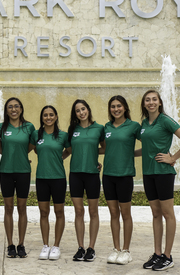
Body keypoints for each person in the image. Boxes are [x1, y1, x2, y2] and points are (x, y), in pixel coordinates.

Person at [139, 90, 180, 271]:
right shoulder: (144, 123)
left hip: (163, 173)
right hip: (148, 173)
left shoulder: (165, 120)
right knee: (155, 214)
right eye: (147, 100)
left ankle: (168, 256)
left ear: (160, 103)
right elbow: (146, 148)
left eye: (154, 99)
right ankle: (157, 254)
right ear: (144, 104)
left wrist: (173, 158)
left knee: (167, 213)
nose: (151, 103)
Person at [0, 97, 35, 259]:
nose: (13, 109)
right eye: (10, 107)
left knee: (22, 208)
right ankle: (10, 244)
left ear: (21, 108)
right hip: (6, 171)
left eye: (16, 106)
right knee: (8, 208)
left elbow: (30, 146)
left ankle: (21, 244)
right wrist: (11, 155)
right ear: (6, 110)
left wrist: (20, 156)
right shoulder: (1, 127)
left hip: (24, 171)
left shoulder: (29, 127)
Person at [102, 95, 141, 265]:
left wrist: (132, 154)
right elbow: (104, 148)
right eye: (112, 106)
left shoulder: (134, 126)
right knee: (113, 214)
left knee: (125, 214)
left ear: (125, 108)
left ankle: (126, 250)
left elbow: (149, 142)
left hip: (125, 175)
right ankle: (116, 249)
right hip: (108, 176)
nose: (116, 109)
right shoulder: (107, 127)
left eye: (119, 106)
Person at [66, 99, 105, 262]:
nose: (81, 112)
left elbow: (105, 147)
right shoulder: (72, 129)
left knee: (93, 212)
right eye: (77, 110)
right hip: (75, 174)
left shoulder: (99, 128)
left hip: (91, 174)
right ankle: (81, 247)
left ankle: (91, 248)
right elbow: (68, 150)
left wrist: (92, 154)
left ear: (88, 110)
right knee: (79, 211)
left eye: (83, 109)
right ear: (75, 114)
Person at [29, 105, 70, 261]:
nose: (48, 117)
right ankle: (45, 245)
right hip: (42, 179)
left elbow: (70, 150)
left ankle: (56, 246)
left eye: (51, 115)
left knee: (59, 213)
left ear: (56, 116)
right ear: (42, 117)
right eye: (45, 115)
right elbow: (33, 149)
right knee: (43, 213)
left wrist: (60, 158)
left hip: (58, 178)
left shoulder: (63, 135)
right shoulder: (36, 135)